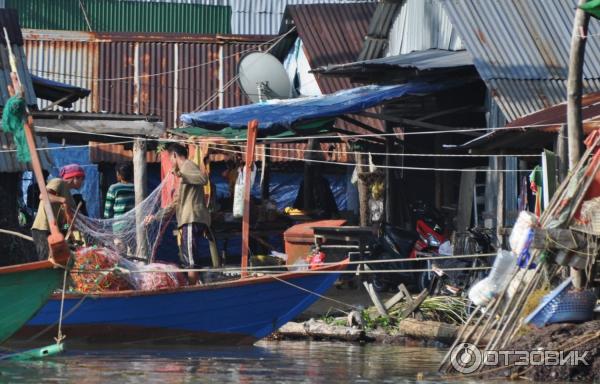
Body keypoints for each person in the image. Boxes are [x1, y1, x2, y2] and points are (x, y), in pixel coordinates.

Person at [145, 143, 216, 285]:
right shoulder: (184, 174)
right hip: (187, 220)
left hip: (191, 218)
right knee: (188, 257)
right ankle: (194, 286)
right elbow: (175, 203)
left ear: (175, 156)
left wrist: (180, 174)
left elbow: (203, 179)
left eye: (170, 159)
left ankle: (192, 291)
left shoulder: (187, 167)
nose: (170, 163)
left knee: (191, 260)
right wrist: (156, 216)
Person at [31, 164, 85, 261]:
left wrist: (68, 229)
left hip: (56, 230)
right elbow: (43, 195)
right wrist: (62, 200)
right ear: (75, 177)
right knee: (46, 259)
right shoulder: (58, 182)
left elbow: (66, 217)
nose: (82, 182)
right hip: (43, 228)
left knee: (61, 259)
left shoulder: (69, 194)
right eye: (82, 179)